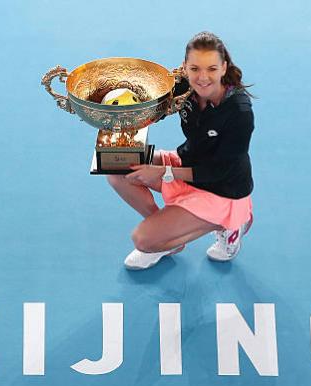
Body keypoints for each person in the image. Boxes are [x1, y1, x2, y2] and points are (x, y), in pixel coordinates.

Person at [107, 31, 255, 270]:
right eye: (195, 69)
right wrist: (120, 116)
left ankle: (230, 224)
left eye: (212, 69)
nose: (203, 78)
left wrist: (164, 172)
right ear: (185, 67)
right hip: (185, 163)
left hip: (223, 189)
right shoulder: (185, 87)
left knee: (143, 240)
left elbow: (219, 170)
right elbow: (151, 109)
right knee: (113, 165)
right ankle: (168, 240)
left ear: (224, 68)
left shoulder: (239, 112)